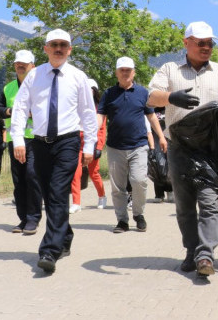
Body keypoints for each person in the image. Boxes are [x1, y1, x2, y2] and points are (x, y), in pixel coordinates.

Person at [148, 21, 218, 278]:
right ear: (186, 42)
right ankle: (191, 251)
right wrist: (170, 97)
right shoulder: (169, 69)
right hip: (179, 147)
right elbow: (151, 96)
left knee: (209, 203)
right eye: (201, 43)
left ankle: (205, 254)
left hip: (211, 148)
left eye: (210, 43)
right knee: (185, 205)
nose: (206, 47)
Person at [10, 29, 98, 274]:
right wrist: (17, 139)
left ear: (69, 49)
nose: (59, 48)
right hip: (39, 142)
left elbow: (88, 114)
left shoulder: (78, 77)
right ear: (46, 48)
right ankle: (65, 234)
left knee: (58, 191)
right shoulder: (34, 76)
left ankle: (49, 250)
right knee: (49, 193)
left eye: (63, 45)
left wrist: (89, 145)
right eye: (54, 44)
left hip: (68, 141)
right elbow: (20, 108)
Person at [98, 57, 165, 233]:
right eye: (122, 70)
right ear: (117, 73)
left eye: (128, 70)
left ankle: (139, 214)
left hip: (139, 145)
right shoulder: (109, 93)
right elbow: (101, 117)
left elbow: (151, 117)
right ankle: (122, 221)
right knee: (117, 187)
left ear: (133, 72)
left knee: (139, 180)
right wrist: (92, 135)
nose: (125, 73)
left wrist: (162, 137)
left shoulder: (143, 93)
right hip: (115, 147)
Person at [0, 49, 42, 235]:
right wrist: (10, 111)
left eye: (24, 63)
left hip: (36, 139)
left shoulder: (40, 86)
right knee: (19, 180)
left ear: (33, 66)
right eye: (17, 63)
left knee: (32, 176)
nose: (20, 66)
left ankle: (33, 218)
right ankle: (23, 219)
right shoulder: (8, 88)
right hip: (15, 139)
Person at [69, 79, 107, 213]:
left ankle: (102, 196)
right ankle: (76, 203)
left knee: (93, 172)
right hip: (77, 141)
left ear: (95, 91)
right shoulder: (76, 105)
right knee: (76, 172)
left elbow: (102, 130)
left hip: (92, 142)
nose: (88, 91)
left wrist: (99, 148)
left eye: (91, 89)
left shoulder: (100, 109)